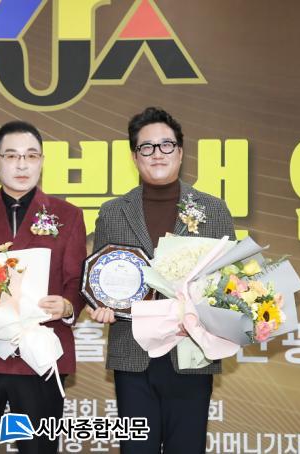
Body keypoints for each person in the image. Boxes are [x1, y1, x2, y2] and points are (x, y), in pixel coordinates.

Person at [87, 107, 236, 453]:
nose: (157, 154)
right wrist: (100, 305)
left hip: (191, 350)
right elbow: (98, 275)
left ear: (180, 152)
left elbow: (230, 281)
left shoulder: (213, 210)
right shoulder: (113, 212)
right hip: (132, 354)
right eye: (147, 147)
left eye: (166, 145)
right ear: (134, 156)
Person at [0, 120, 87, 454]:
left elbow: (75, 279)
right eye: (11, 156)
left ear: (42, 161)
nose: (22, 165)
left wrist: (68, 305)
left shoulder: (67, 215)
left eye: (31, 156)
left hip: (39, 355)